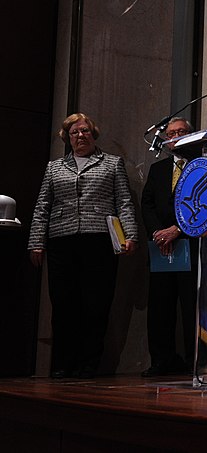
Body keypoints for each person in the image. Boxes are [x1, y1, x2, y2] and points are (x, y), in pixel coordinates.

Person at [28, 113, 138, 379]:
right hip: (61, 242)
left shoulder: (112, 164)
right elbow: (43, 207)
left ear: (94, 134)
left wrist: (130, 235)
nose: (81, 136)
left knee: (96, 305)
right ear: (67, 138)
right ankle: (62, 365)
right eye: (75, 132)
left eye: (86, 131)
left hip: (99, 240)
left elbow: (124, 201)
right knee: (64, 305)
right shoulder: (54, 168)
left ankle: (89, 366)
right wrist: (36, 242)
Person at [140, 117, 199, 378]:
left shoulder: (201, 166)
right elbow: (147, 204)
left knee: (191, 306)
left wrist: (177, 230)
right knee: (160, 307)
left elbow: (206, 202)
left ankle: (193, 360)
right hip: (160, 247)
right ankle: (161, 360)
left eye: (182, 132)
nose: (175, 136)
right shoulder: (158, 169)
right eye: (171, 133)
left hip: (190, 242)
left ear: (191, 135)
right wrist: (158, 234)